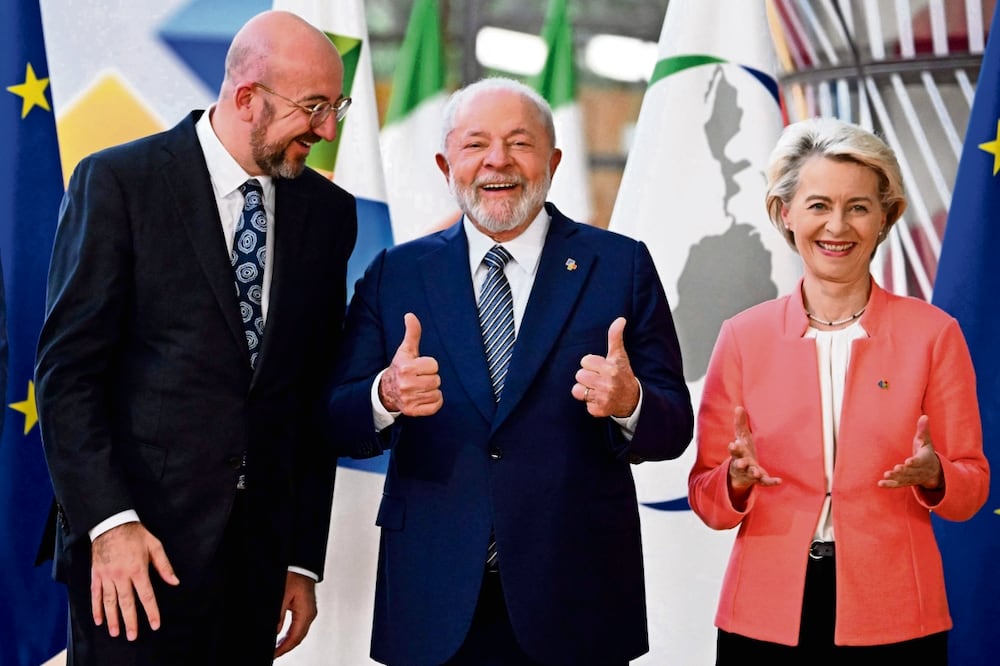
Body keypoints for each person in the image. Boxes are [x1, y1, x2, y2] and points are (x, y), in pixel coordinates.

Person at [327, 77, 693, 665]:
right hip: (433, 596)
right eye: (475, 145)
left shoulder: (619, 265)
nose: (498, 161)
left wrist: (630, 403)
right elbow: (335, 419)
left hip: (577, 593)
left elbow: (674, 426)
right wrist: (385, 395)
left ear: (552, 160)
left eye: (519, 143)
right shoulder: (395, 273)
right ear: (447, 164)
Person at [34, 10, 357, 664]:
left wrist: (300, 557)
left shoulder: (328, 213)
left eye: (337, 106)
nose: (327, 130)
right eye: (314, 107)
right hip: (133, 561)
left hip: (255, 569)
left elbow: (308, 398)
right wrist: (110, 524)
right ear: (247, 99)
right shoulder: (120, 183)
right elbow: (68, 378)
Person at [688, 117, 990, 663]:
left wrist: (937, 474)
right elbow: (706, 499)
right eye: (819, 205)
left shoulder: (934, 335)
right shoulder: (742, 336)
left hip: (898, 614)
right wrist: (732, 481)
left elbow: (971, 488)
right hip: (762, 613)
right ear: (785, 214)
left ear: (885, 217)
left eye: (858, 207)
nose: (838, 225)